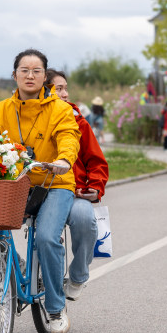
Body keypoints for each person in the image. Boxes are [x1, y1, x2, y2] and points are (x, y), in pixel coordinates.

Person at [0, 49, 79, 333]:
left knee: (48, 238)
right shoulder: (1, 109)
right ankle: (3, 261)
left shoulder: (60, 109)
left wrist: (63, 160)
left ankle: (54, 306)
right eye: (24, 70)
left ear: (45, 77)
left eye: (36, 70)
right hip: (14, 183)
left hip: (54, 183)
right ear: (14, 75)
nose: (30, 75)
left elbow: (68, 137)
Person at [45, 69, 108, 302]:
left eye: (65, 88)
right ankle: (18, 267)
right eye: (58, 88)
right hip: (35, 192)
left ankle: (79, 275)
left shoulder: (79, 121)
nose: (64, 93)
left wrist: (95, 186)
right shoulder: (26, 118)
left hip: (74, 192)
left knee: (84, 219)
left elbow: (97, 161)